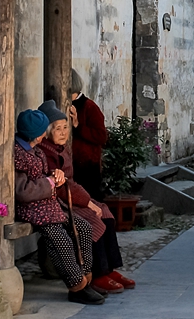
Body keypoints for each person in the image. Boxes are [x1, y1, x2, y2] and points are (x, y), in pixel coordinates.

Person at [37, 99, 136, 296]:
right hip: (60, 201)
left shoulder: (60, 148)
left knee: (105, 212)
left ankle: (109, 269)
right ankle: (97, 273)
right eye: (58, 129)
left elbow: (71, 182)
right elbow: (63, 187)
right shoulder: (47, 153)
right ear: (47, 131)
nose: (64, 132)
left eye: (66, 127)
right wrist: (88, 202)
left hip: (70, 197)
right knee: (93, 218)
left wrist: (90, 201)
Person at [13, 109, 103, 305]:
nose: (45, 135)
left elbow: (45, 173)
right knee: (60, 239)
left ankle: (85, 278)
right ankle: (76, 286)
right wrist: (50, 183)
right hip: (31, 208)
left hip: (47, 203)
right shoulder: (18, 154)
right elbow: (23, 191)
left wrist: (56, 175)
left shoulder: (34, 148)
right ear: (33, 134)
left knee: (83, 228)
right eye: (42, 131)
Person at [69, 71, 108, 201]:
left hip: (87, 165)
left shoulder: (89, 107)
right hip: (69, 162)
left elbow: (101, 136)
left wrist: (78, 126)